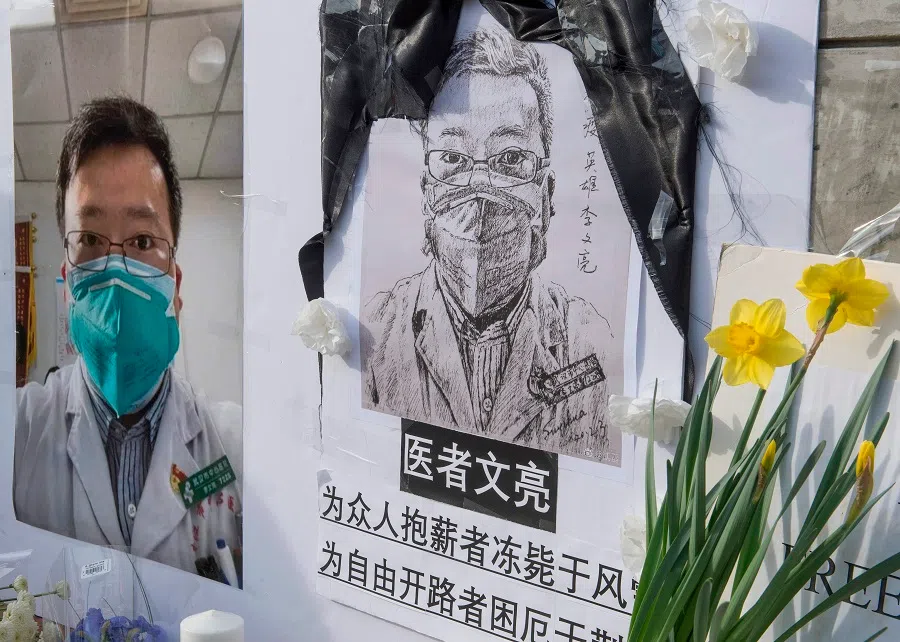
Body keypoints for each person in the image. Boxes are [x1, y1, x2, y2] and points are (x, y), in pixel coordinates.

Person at [14, 96, 242, 579]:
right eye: (90, 241)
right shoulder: (17, 435)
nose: (115, 270)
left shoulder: (239, 449)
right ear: (68, 283)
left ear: (174, 285)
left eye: (142, 242)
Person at [364, 29, 617, 460]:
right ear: (426, 189)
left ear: (547, 193)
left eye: (511, 158)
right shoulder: (377, 333)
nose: (479, 189)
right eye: (453, 159)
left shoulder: (589, 341)